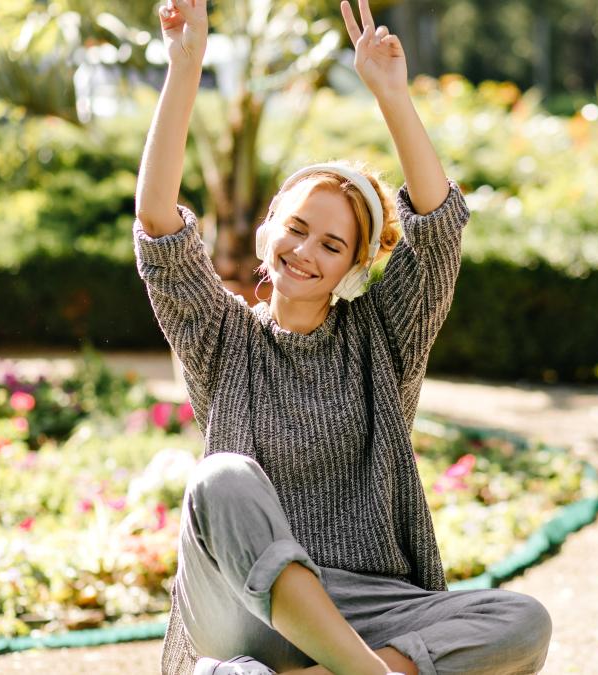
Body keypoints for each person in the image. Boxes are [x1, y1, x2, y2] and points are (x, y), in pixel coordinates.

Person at [133, 0, 553, 673]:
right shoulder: (221, 338)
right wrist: (185, 65)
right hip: (249, 606)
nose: (305, 250)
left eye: (331, 243)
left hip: (372, 604)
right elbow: (159, 224)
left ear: (356, 267)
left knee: (522, 620)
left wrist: (391, 93)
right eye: (296, 228)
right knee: (221, 477)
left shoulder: (384, 337)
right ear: (269, 228)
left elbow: (438, 228)